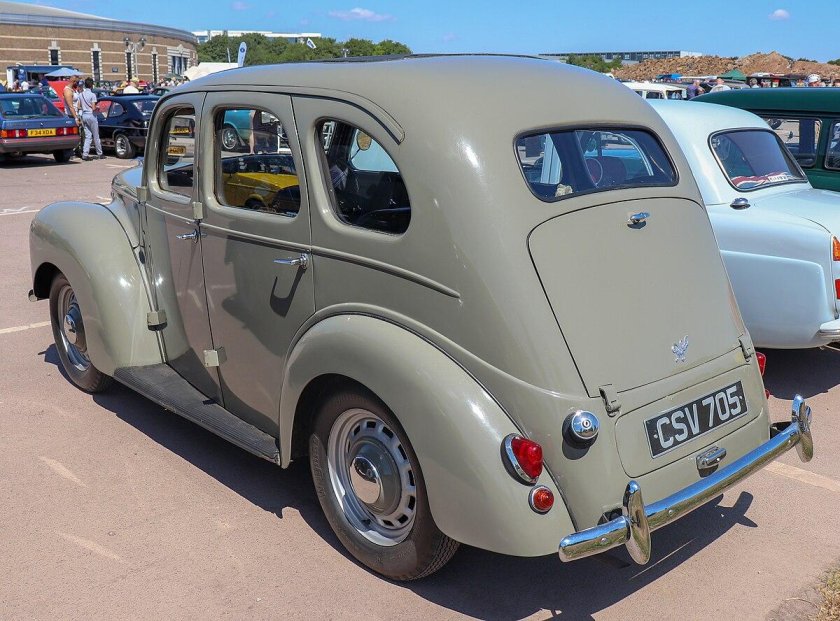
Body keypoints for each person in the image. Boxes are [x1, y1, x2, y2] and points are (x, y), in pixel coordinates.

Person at [77, 77, 103, 160]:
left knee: (88, 136)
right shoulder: (92, 95)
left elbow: (78, 106)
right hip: (91, 115)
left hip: (84, 115)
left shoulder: (81, 94)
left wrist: (84, 108)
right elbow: (93, 107)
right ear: (92, 85)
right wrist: (98, 108)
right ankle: (100, 153)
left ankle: (85, 154)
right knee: (96, 136)